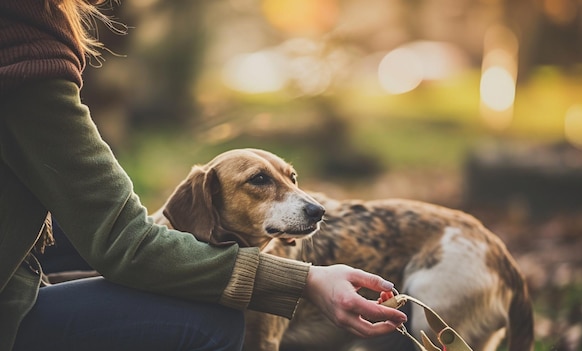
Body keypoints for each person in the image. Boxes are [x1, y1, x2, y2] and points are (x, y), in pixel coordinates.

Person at [0, 0, 407, 350]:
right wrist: (304, 281)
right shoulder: (25, 52)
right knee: (213, 322)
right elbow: (124, 244)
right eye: (260, 181)